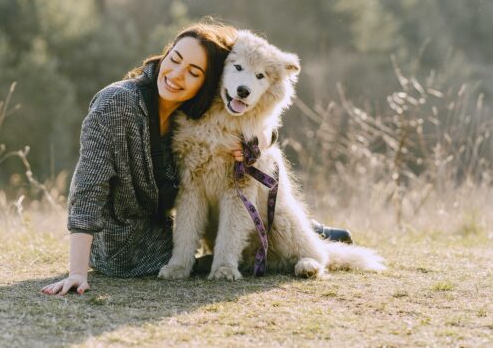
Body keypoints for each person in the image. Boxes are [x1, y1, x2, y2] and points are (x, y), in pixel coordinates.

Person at [41, 23, 351, 296]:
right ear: (166, 53)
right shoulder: (119, 104)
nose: (177, 75)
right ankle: (312, 235)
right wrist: (77, 272)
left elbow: (257, 124)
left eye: (194, 72)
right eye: (174, 60)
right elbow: (88, 187)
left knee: (265, 204)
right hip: (133, 242)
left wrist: (263, 141)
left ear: (206, 79)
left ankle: (308, 239)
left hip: (174, 226)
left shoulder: (194, 107)